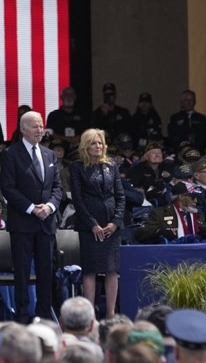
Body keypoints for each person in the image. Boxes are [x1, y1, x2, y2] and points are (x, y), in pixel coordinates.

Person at [0, 110, 63, 323]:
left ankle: (45, 317)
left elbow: (57, 188)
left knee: (46, 272)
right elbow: (8, 188)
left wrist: (50, 207)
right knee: (23, 274)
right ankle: (23, 318)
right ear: (23, 129)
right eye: (35, 126)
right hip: (23, 223)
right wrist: (31, 208)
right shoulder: (11, 154)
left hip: (46, 223)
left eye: (41, 125)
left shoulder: (49, 154)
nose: (40, 129)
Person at [69, 128, 125, 318]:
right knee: (90, 270)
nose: (98, 146)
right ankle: (89, 315)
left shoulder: (111, 165)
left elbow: (120, 196)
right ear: (86, 146)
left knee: (112, 270)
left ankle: (111, 314)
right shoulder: (77, 167)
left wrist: (116, 222)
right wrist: (92, 224)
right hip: (89, 227)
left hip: (111, 227)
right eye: (93, 143)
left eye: (100, 143)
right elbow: (78, 199)